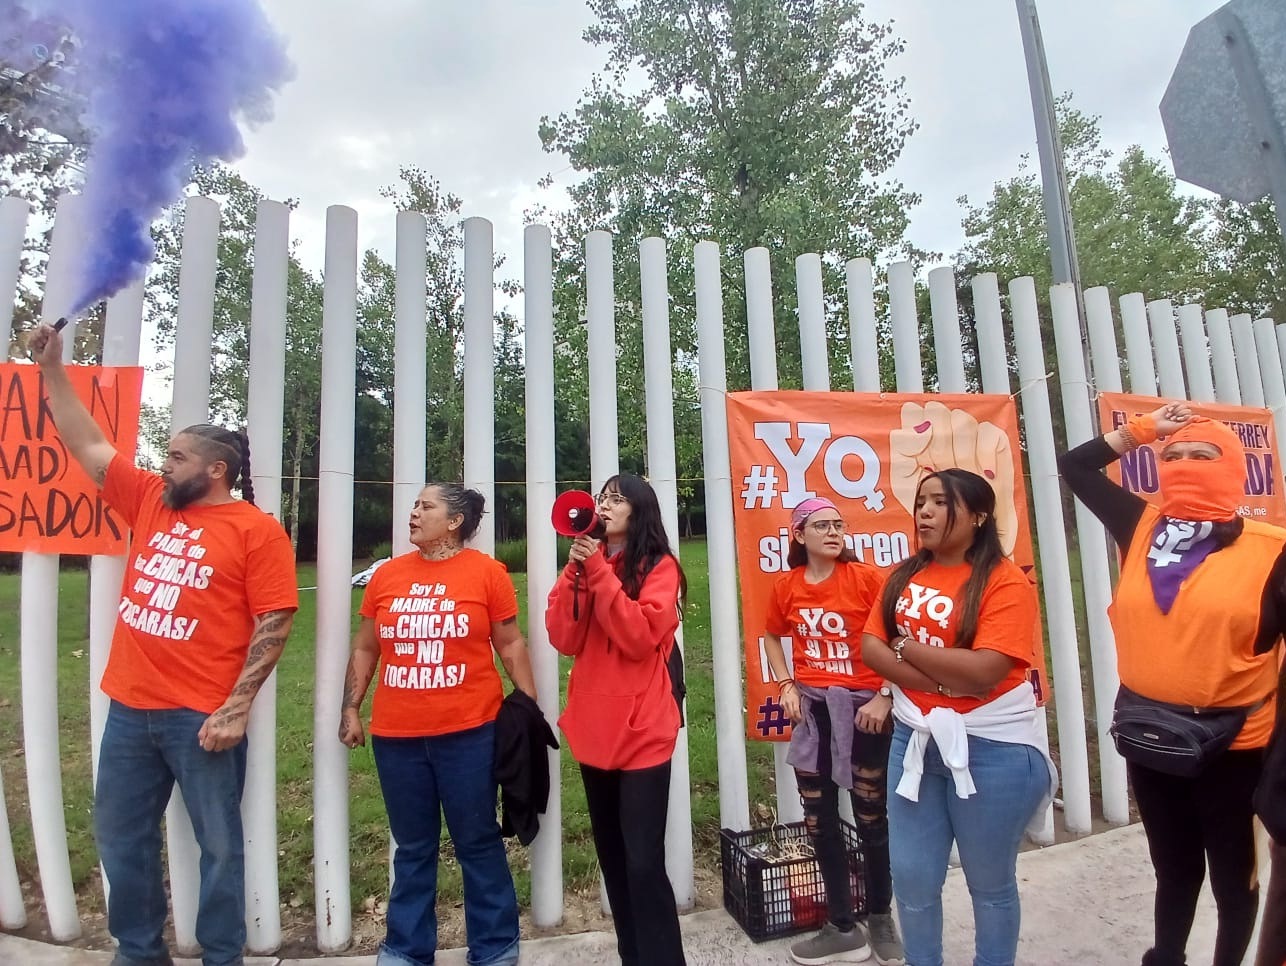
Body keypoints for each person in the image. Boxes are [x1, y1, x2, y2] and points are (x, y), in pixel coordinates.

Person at [29, 323, 299, 966]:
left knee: (220, 847)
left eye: (175, 457)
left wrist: (235, 708)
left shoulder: (255, 531)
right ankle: (139, 951)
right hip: (130, 708)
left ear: (216, 469)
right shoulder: (150, 500)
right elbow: (86, 440)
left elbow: (275, 620)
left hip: (200, 716)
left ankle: (221, 956)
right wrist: (52, 370)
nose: (162, 464)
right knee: (120, 837)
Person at [1059, 404, 1285, 966]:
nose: (1184, 463)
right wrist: (1142, 431)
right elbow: (1076, 467)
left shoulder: (1272, 548)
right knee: (1174, 866)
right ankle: (1166, 957)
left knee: (1234, 878)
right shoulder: (1141, 528)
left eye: (1201, 455)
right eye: (1173, 455)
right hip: (1150, 734)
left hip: (1235, 747)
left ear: (1231, 467)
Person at [861, 468, 1056, 966]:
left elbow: (986, 671)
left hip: (993, 751)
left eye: (939, 503)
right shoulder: (903, 574)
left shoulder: (1005, 581)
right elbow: (871, 647)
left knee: (989, 884)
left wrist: (905, 647)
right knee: (912, 878)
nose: (923, 511)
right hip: (915, 741)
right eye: (920, 501)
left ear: (979, 515)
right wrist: (939, 680)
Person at [339, 483, 536, 966]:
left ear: (454, 521)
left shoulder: (487, 574)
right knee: (412, 849)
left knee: (478, 842)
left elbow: (509, 643)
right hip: (397, 738)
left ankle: (495, 948)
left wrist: (528, 707)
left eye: (425, 506)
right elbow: (367, 647)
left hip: (470, 735)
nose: (413, 513)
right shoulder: (387, 576)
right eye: (414, 505)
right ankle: (405, 949)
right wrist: (351, 707)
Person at [545, 473, 687, 966]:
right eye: (601, 497)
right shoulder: (590, 563)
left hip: (643, 730)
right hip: (595, 729)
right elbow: (564, 637)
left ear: (640, 509)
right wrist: (574, 575)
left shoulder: (660, 567)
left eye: (616, 498)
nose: (603, 505)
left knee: (643, 862)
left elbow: (638, 636)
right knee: (613, 859)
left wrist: (601, 575)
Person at [761, 497, 905, 966]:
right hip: (813, 714)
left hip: (866, 712)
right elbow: (770, 635)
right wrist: (786, 684)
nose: (833, 532)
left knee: (870, 815)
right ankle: (841, 924)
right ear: (799, 535)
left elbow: (898, 636)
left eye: (839, 525)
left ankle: (881, 916)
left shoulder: (867, 580)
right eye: (821, 525)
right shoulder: (786, 586)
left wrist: (885, 694)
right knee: (818, 819)